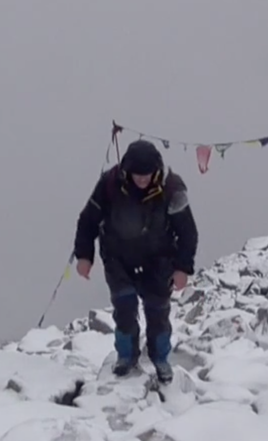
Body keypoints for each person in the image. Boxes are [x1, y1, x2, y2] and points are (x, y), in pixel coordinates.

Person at [72, 139, 198, 384]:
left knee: (157, 310)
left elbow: (188, 232)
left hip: (159, 261)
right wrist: (84, 256)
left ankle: (160, 358)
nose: (141, 179)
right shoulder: (109, 185)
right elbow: (87, 220)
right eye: (136, 174)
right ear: (127, 170)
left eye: (147, 174)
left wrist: (183, 267)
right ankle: (126, 356)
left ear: (156, 171)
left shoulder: (172, 189)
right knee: (125, 307)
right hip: (118, 259)